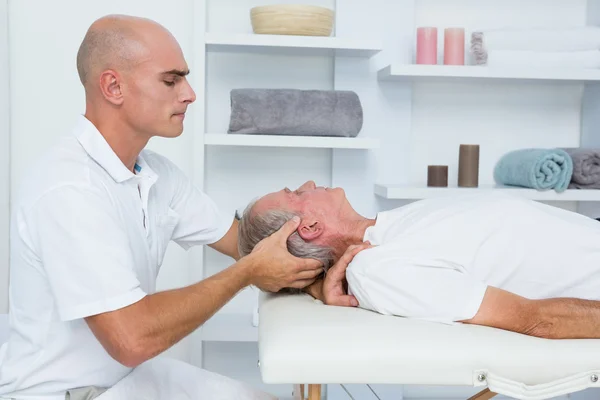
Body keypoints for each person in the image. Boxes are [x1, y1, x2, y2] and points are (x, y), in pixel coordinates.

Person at [0, 15, 342, 400]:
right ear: (113, 86)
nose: (190, 94)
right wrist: (248, 273)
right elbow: (130, 339)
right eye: (171, 80)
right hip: (66, 391)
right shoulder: (68, 189)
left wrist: (317, 280)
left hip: (129, 376)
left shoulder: (156, 173)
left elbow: (241, 240)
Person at [238, 180, 600, 339]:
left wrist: (317, 284)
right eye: (296, 193)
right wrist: (318, 283)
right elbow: (536, 322)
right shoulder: (375, 269)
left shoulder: (382, 234)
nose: (311, 182)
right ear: (311, 227)